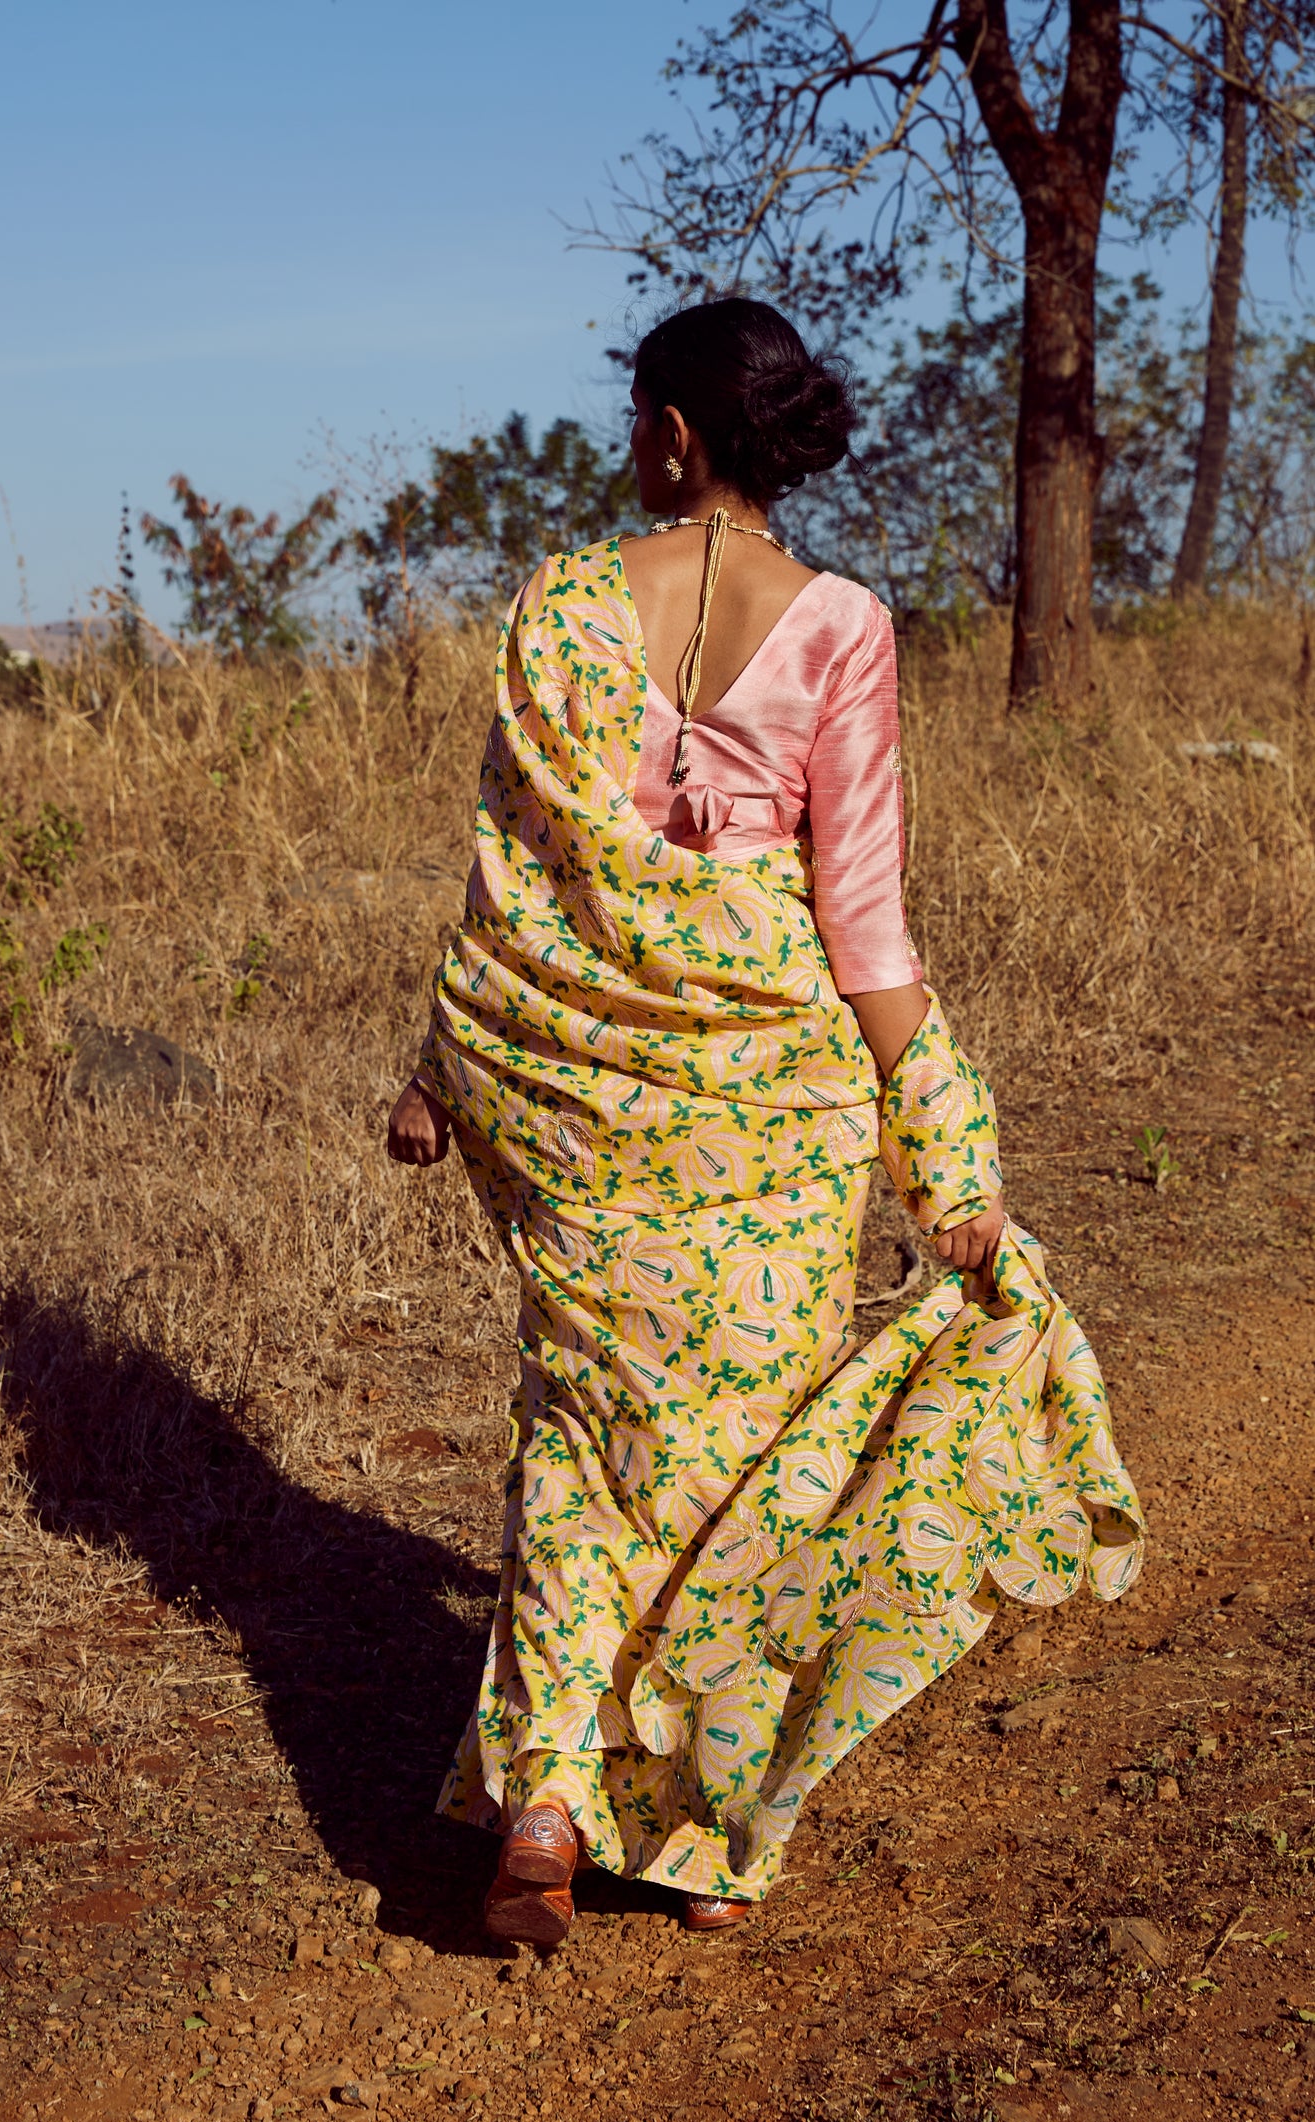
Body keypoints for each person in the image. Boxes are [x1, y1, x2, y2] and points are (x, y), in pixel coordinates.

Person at [387, 297, 1144, 1947]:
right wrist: (943, 1147)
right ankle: (704, 1829)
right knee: (750, 1462)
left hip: (588, 1098)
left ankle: (543, 1797)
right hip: (774, 1109)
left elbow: (518, 874)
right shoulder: (844, 624)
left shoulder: (566, 603)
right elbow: (861, 921)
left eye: (632, 423)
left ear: (671, 431)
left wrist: (446, 1063)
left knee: (582, 1440)